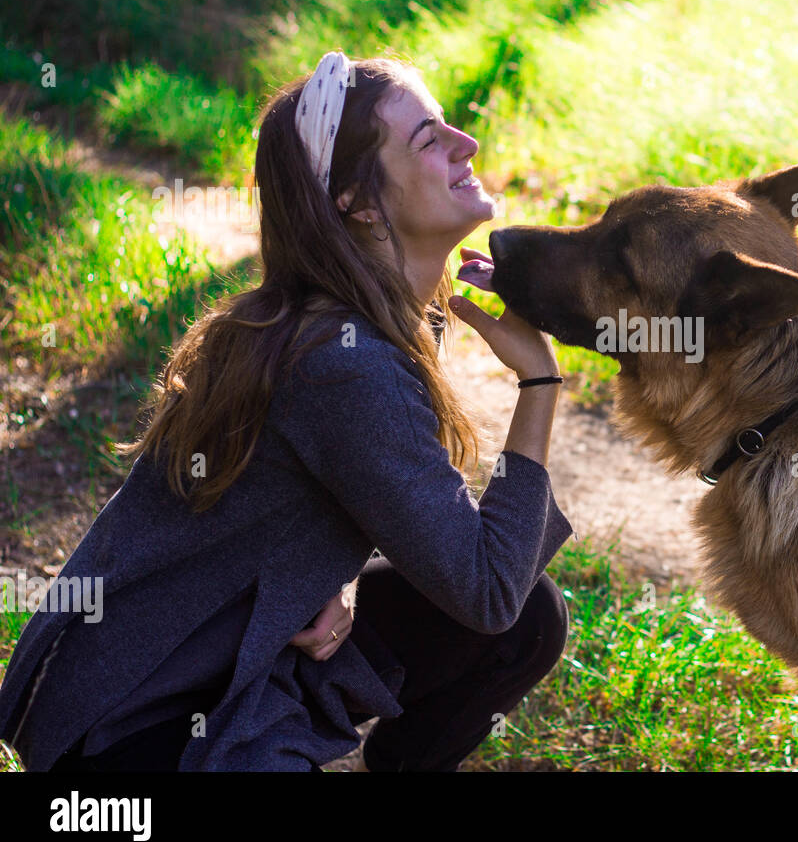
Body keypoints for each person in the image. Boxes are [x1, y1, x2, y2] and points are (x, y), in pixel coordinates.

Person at [0, 52, 574, 771]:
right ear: (358, 203)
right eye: (429, 139)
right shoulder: (347, 364)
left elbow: (306, 500)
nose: (468, 145)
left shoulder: (356, 323)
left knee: (531, 617)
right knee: (509, 606)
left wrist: (328, 575)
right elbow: (485, 587)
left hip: (217, 659)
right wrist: (541, 382)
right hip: (129, 720)